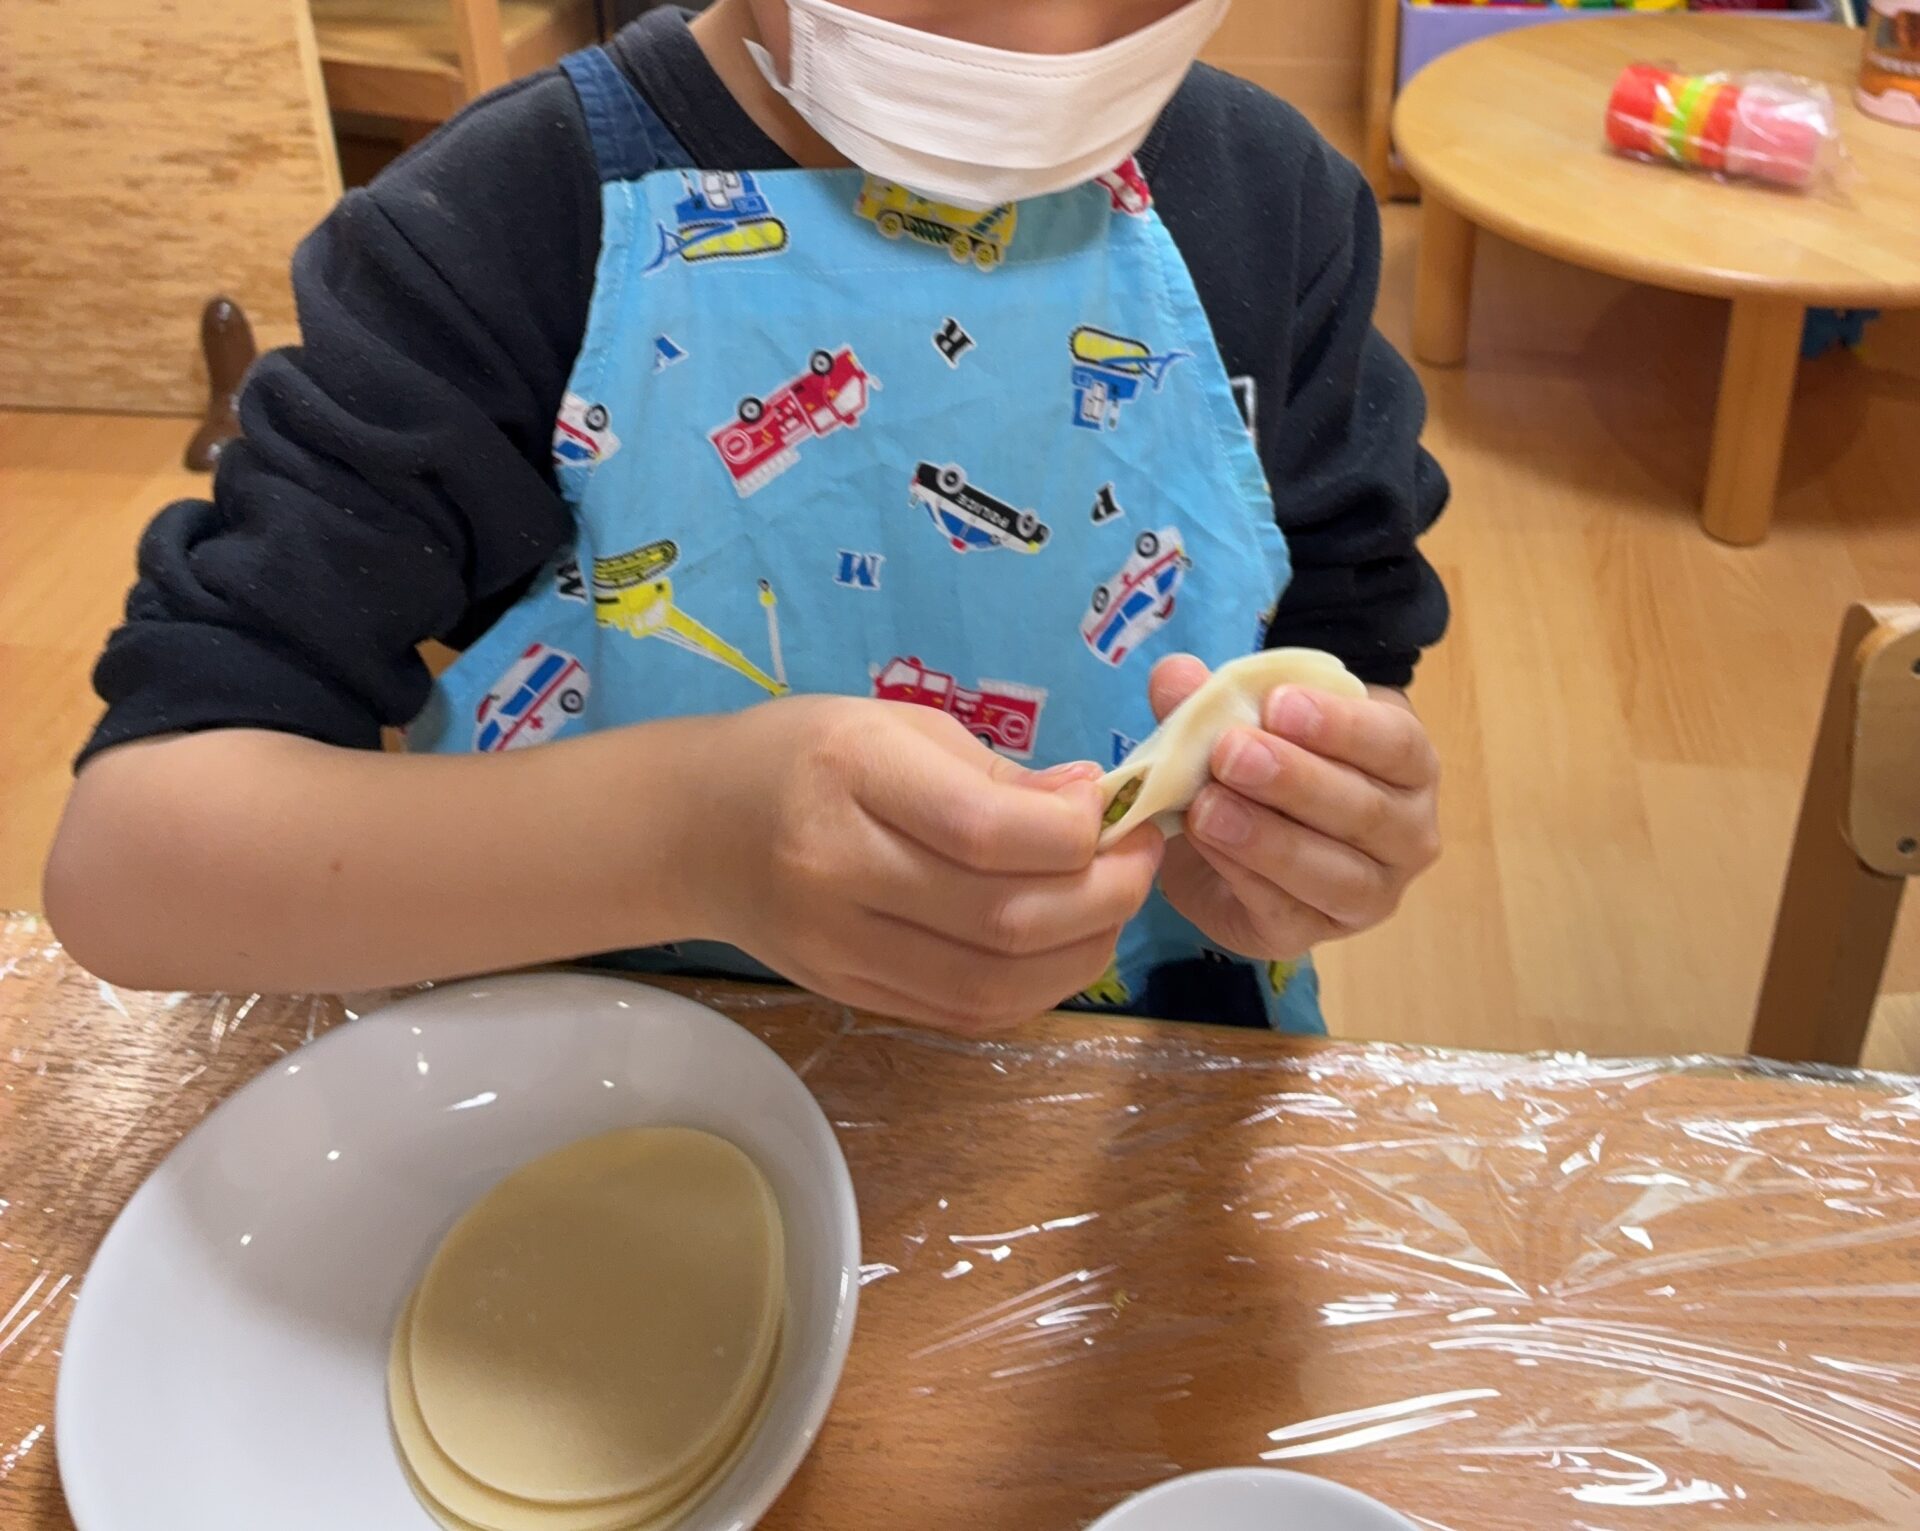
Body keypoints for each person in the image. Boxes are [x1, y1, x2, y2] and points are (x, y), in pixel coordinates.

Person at [44, 0, 1449, 1036]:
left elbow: (1343, 641)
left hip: (1127, 1101)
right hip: (597, 1112)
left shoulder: (1277, 213)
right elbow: (131, 862)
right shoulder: (509, 232)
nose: (1047, 38)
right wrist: (699, 842)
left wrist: (1305, 832)